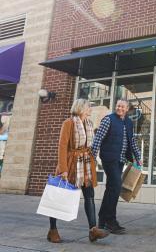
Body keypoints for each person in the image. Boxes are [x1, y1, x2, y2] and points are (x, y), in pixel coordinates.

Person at [47, 99, 109, 243]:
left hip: (85, 164)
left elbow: (91, 145)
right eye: (88, 107)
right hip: (70, 164)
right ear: (80, 108)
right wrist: (63, 169)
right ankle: (53, 230)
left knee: (90, 196)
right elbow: (62, 146)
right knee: (59, 196)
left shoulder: (89, 124)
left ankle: (93, 230)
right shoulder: (68, 123)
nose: (90, 110)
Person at [91, 99, 141, 234]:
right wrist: (92, 159)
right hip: (109, 158)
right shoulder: (108, 120)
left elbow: (132, 141)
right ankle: (110, 221)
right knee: (116, 186)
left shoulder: (129, 123)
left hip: (120, 160)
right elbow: (98, 139)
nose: (119, 108)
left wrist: (138, 157)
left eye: (122, 106)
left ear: (127, 108)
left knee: (111, 188)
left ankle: (102, 221)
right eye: (118, 105)